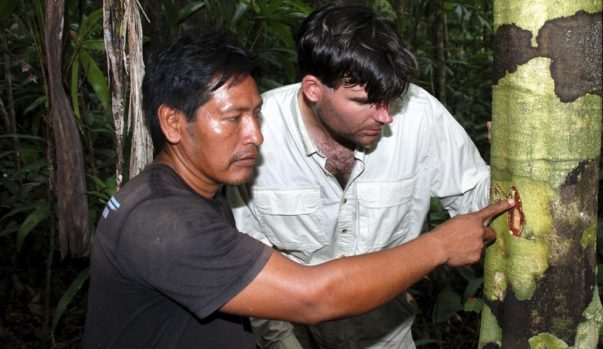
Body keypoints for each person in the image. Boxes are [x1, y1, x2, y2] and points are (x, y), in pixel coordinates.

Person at [82, 33, 511, 348]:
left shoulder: (180, 196)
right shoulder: (166, 223)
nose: (256, 136)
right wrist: (438, 246)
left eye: (257, 115)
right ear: (173, 123)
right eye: (234, 119)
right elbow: (312, 296)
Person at [227, 0, 493, 348]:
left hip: (384, 334)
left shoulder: (420, 116)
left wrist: (513, 166)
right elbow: (246, 260)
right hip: (290, 334)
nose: (385, 116)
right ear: (313, 90)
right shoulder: (256, 136)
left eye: (391, 99)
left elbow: (477, 196)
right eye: (365, 101)